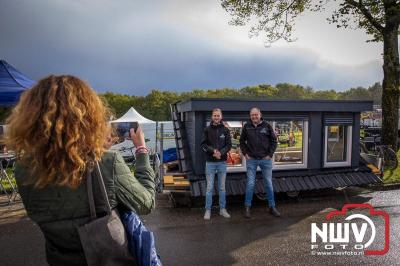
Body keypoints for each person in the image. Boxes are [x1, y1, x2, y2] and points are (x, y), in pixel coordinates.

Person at [5, 75, 155, 266]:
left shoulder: (23, 169)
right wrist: (141, 150)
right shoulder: (107, 162)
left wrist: (98, 150)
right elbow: (146, 203)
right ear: (89, 117)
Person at [239, 107, 281, 218]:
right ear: (250, 116)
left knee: (268, 183)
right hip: (251, 159)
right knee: (250, 183)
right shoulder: (246, 126)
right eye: (252, 115)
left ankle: (272, 207)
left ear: (260, 114)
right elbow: (241, 141)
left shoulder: (267, 126)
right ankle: (247, 207)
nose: (254, 116)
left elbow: (274, 141)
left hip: (265, 160)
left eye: (256, 114)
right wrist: (245, 153)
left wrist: (270, 155)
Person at [200, 108, 232, 220]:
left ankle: (222, 209)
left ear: (221, 117)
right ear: (212, 117)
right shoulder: (207, 130)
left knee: (222, 187)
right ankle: (207, 210)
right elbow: (203, 144)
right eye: (215, 115)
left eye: (218, 115)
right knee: (209, 188)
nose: (216, 117)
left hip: (222, 162)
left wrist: (221, 153)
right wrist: (213, 151)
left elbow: (229, 145)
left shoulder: (225, 130)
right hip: (210, 163)